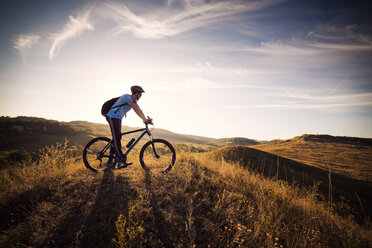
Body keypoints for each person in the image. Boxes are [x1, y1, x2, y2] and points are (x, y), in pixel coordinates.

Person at [106, 85, 151, 169]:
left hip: (118, 118)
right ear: (136, 93)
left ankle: (110, 160)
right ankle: (120, 161)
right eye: (140, 94)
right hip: (112, 116)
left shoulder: (134, 102)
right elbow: (135, 109)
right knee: (117, 138)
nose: (141, 96)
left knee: (117, 137)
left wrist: (145, 119)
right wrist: (144, 120)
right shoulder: (127, 97)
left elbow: (139, 110)